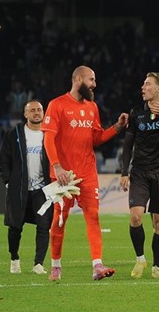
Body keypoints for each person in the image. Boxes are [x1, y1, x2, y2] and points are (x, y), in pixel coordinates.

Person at [43, 66, 129, 281]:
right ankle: (55, 266)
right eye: (91, 79)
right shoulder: (57, 105)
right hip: (64, 175)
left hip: (88, 173)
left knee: (93, 217)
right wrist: (57, 167)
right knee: (60, 219)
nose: (94, 84)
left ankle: (97, 265)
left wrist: (117, 127)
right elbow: (48, 139)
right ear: (78, 79)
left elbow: (96, 139)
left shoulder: (92, 107)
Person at [120, 72, 159, 280]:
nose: (143, 87)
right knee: (135, 216)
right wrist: (124, 171)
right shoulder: (136, 112)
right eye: (143, 83)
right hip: (140, 172)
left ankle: (157, 267)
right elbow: (128, 144)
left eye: (147, 84)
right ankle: (140, 258)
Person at [0, 99, 51, 274]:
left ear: (44, 113)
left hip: (42, 190)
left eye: (39, 110)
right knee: (15, 227)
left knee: (44, 225)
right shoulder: (14, 134)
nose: (36, 113)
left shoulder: (50, 133)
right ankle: (14, 258)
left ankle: (38, 264)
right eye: (32, 110)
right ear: (25, 114)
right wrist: (8, 182)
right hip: (19, 190)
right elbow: (3, 161)